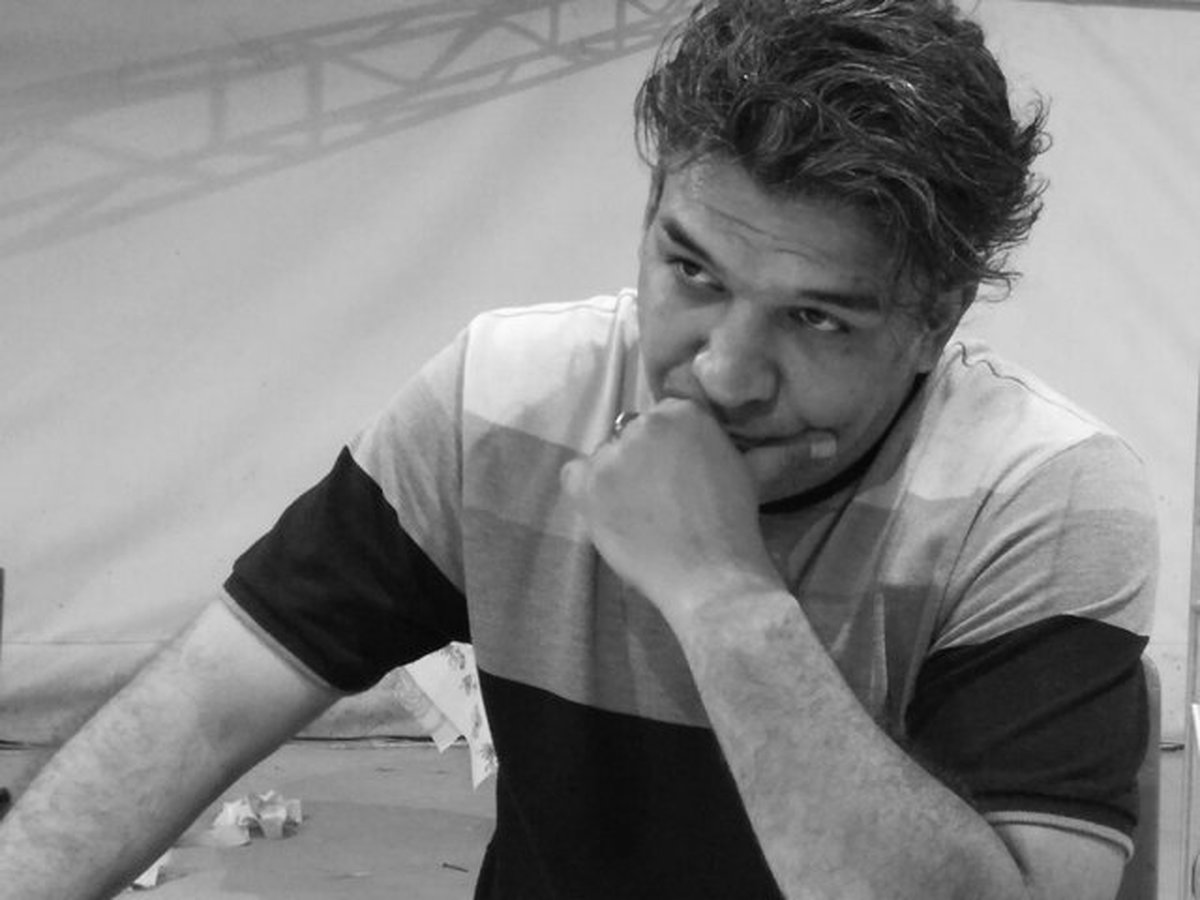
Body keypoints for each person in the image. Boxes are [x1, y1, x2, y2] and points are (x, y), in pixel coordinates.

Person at [0, 1, 1157, 898]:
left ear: (936, 320)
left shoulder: (1041, 495)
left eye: (815, 318)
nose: (722, 372)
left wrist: (723, 596)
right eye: (692, 270)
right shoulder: (501, 401)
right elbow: (203, 707)